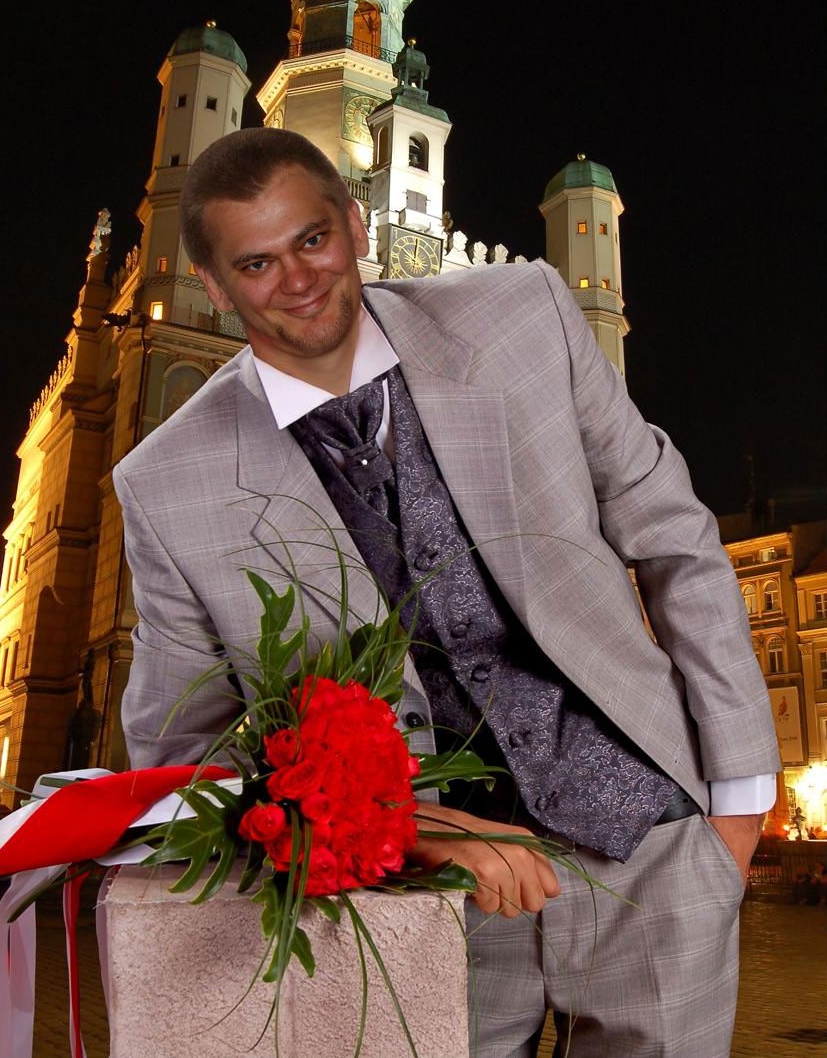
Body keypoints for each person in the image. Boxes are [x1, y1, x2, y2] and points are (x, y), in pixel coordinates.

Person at [114, 128, 779, 1058]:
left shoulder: (521, 314)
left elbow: (670, 530)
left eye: (312, 239)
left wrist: (738, 804)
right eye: (256, 263)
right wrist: (400, 827)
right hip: (416, 904)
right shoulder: (167, 483)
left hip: (655, 845)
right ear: (215, 286)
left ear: (354, 226)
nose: (297, 279)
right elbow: (183, 752)